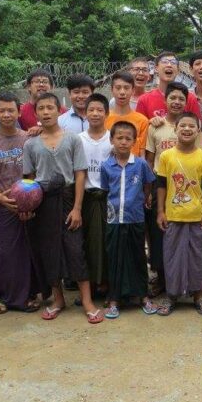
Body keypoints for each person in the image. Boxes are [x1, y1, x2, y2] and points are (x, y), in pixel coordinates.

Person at [22, 92, 103, 324]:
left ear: (59, 111)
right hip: (43, 201)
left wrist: (77, 208)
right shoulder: (30, 144)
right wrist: (28, 205)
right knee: (49, 250)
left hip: (68, 198)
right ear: (35, 113)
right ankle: (58, 300)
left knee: (75, 250)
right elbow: (29, 178)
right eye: (41, 108)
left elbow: (80, 174)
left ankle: (87, 301)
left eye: (50, 107)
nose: (46, 112)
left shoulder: (72, 139)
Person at [0, 92, 40, 314]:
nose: (6, 114)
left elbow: (34, 172)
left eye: (10, 110)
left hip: (30, 204)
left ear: (19, 112)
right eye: (1, 110)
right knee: (8, 253)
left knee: (31, 250)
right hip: (4, 206)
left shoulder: (29, 139)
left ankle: (31, 293)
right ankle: (10, 297)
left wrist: (30, 202)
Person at [145, 83, 202, 295]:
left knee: (190, 241)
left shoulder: (193, 126)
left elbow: (201, 160)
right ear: (165, 100)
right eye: (173, 98)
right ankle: (162, 279)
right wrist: (148, 191)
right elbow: (149, 159)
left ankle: (192, 285)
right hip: (161, 185)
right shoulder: (156, 126)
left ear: (186, 102)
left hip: (189, 190)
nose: (177, 102)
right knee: (160, 234)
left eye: (181, 98)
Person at [155, 112, 202, 316]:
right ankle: (172, 295)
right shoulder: (166, 156)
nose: (187, 129)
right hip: (173, 216)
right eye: (183, 126)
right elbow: (161, 185)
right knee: (172, 257)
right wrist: (160, 211)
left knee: (196, 257)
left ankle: (198, 295)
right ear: (175, 129)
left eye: (192, 126)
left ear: (199, 131)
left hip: (196, 216)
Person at [100, 121, 159, 317]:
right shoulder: (106, 166)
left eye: (128, 138)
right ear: (111, 140)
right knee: (115, 258)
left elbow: (148, 184)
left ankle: (143, 296)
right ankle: (114, 299)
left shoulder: (141, 164)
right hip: (114, 220)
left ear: (134, 141)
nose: (123, 142)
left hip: (135, 218)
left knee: (138, 257)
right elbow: (105, 190)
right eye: (119, 138)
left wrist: (143, 199)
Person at [77, 94, 112, 304]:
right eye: (91, 110)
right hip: (87, 199)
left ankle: (107, 284)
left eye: (100, 110)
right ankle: (89, 286)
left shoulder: (113, 139)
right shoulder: (78, 139)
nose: (95, 114)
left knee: (108, 242)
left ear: (107, 113)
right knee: (88, 243)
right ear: (85, 113)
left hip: (109, 198)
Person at [136, 52, 201, 120]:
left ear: (178, 70)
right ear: (156, 68)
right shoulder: (144, 100)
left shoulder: (190, 99)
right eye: (164, 62)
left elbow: (197, 125)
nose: (169, 65)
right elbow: (140, 125)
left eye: (173, 62)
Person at [106, 71, 149, 158]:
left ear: (133, 91)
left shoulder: (142, 121)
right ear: (112, 90)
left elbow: (142, 153)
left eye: (126, 88)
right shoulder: (104, 118)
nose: (122, 92)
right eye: (118, 88)